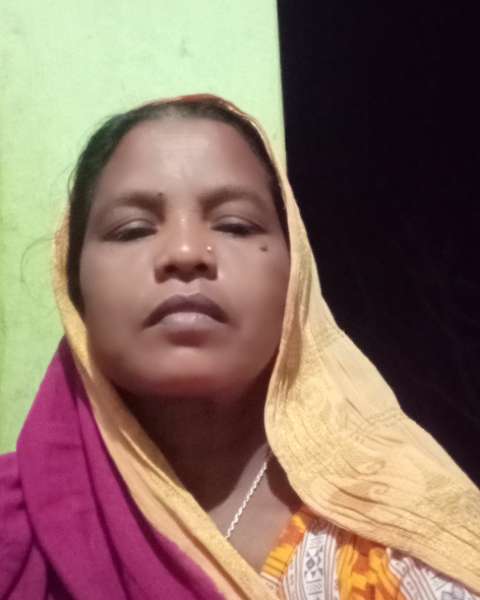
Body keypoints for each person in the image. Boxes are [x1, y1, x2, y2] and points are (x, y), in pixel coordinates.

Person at [0, 93, 479, 600]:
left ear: (294, 279)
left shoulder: (415, 533)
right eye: (132, 229)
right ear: (75, 289)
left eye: (235, 225)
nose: (186, 252)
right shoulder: (16, 535)